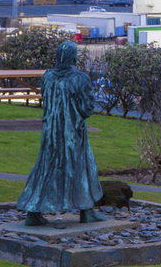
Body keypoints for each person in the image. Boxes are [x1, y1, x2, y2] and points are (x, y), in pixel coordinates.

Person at [17, 40, 102, 224]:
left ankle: (33, 211)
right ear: (74, 57)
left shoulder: (47, 77)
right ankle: (87, 210)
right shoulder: (80, 79)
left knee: (46, 169)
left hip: (50, 132)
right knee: (80, 166)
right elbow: (87, 108)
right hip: (73, 132)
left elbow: (46, 103)